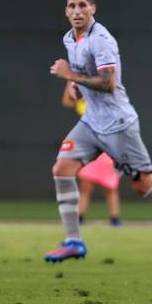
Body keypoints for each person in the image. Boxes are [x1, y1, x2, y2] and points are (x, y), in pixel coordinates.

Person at [46, 0, 152, 266]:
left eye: (83, 5)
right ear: (66, 11)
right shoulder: (71, 38)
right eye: (72, 6)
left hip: (118, 125)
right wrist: (74, 85)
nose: (77, 10)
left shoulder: (102, 39)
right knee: (62, 168)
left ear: (93, 8)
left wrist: (71, 75)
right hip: (91, 123)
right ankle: (73, 241)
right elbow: (84, 75)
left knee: (144, 185)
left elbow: (108, 83)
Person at [61, 81, 121, 227]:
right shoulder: (82, 97)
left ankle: (115, 219)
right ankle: (80, 218)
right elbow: (67, 101)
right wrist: (70, 79)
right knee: (85, 185)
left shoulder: (101, 91)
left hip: (106, 140)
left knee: (110, 185)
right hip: (88, 142)